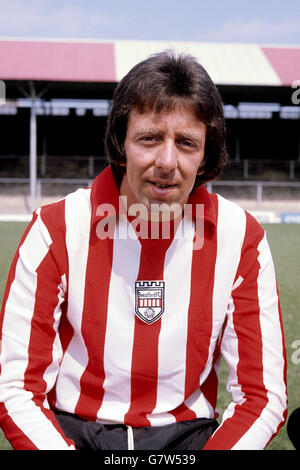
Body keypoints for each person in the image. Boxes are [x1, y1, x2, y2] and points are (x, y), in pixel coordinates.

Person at [0, 50, 287, 450]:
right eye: (150, 138)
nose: (167, 161)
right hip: (75, 435)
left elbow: (262, 395)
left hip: (190, 441)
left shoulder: (242, 238)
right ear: (121, 142)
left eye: (186, 143)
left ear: (206, 154)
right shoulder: (55, 228)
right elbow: (16, 387)